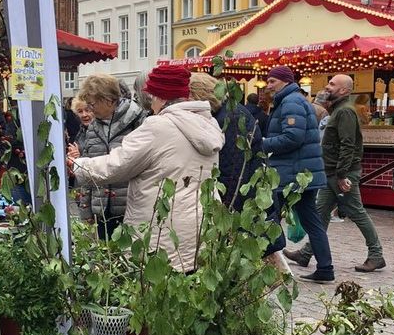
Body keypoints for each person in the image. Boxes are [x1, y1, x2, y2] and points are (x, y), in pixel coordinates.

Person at [68, 64, 223, 272]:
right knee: (189, 285)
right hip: (198, 224)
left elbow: (117, 165)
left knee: (157, 289)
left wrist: (78, 164)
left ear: (159, 96)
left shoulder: (157, 126)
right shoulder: (206, 123)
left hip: (162, 228)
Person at [287, 73, 385, 273]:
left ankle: (376, 255)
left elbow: (348, 145)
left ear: (344, 90)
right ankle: (306, 253)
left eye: (332, 84)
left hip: (341, 173)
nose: (327, 87)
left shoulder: (345, 112)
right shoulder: (339, 110)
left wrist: (342, 175)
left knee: (356, 212)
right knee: (320, 213)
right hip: (331, 171)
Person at [261, 66, 335, 283]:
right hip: (301, 172)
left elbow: (292, 137)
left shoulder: (291, 102)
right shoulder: (291, 100)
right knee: (311, 220)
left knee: (269, 215)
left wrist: (263, 143)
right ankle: (325, 267)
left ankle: (268, 266)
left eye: (272, 81)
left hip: (294, 173)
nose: (268, 85)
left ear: (285, 81)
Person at [76, 74, 145, 238]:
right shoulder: (93, 127)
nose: (90, 109)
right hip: (101, 210)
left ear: (108, 100)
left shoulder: (137, 121)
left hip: (130, 210)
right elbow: (87, 166)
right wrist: (85, 209)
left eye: (92, 104)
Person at [189, 72, 263, 210]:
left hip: (243, 204)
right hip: (247, 197)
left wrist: (224, 209)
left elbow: (233, 171)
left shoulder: (230, 118)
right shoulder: (227, 112)